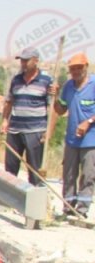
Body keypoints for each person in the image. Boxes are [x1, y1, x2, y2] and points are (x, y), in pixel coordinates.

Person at [1, 46, 56, 186]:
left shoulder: (46, 80)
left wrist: (48, 132)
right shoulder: (16, 80)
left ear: (36, 61)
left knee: (34, 169)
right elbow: (9, 101)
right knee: (10, 167)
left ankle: (34, 199)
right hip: (14, 130)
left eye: (26, 60)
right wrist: (4, 121)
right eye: (22, 60)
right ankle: (9, 196)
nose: (23, 63)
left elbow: (52, 107)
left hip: (35, 131)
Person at [54, 52, 94, 218]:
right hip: (71, 139)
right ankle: (68, 207)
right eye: (73, 69)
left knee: (88, 175)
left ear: (86, 67)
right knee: (69, 174)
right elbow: (61, 109)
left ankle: (82, 210)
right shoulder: (68, 86)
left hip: (91, 140)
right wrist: (55, 96)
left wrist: (88, 122)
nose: (76, 71)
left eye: (79, 67)